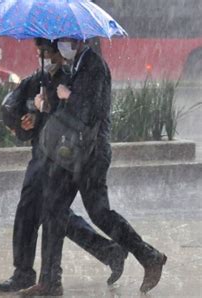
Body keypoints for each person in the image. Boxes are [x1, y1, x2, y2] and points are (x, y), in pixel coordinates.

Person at [20, 38, 167, 296]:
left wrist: (69, 95)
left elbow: (93, 111)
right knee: (53, 210)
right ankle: (50, 281)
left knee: (100, 213)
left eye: (66, 41)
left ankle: (148, 255)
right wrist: (48, 103)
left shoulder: (94, 65)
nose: (62, 46)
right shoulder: (75, 65)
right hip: (73, 154)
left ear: (78, 40)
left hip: (92, 154)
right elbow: (71, 113)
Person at [0, 38, 127, 293]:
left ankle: (43, 273)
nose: (46, 58)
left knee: (52, 214)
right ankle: (26, 272)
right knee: (35, 210)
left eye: (48, 52)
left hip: (60, 156)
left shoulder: (73, 76)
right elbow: (15, 110)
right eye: (40, 53)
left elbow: (77, 115)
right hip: (40, 155)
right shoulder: (36, 80)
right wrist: (25, 121)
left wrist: (49, 106)